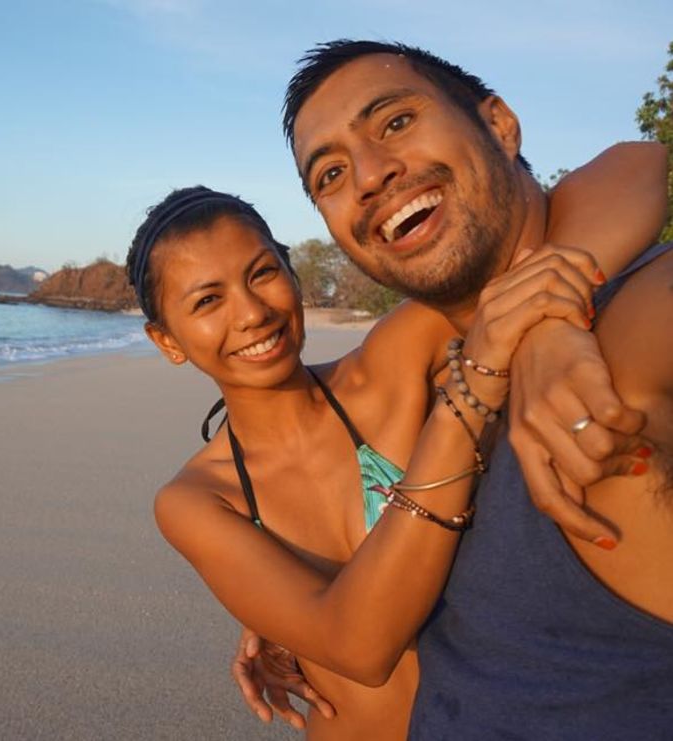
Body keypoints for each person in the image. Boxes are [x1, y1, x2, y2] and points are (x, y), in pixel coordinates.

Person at [132, 42, 669, 741]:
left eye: (262, 274)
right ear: (167, 341)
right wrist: (276, 601)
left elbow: (634, 164)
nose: (251, 313)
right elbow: (354, 639)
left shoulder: (395, 357)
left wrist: (546, 321)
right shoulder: (203, 499)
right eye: (206, 301)